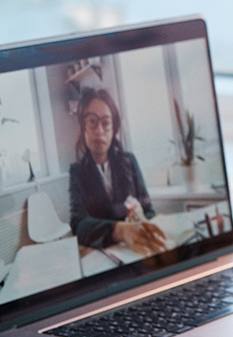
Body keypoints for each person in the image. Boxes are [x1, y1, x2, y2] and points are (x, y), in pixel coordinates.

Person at [69, 87, 167, 256]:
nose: (99, 131)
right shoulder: (77, 172)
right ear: (83, 126)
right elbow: (78, 225)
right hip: (107, 255)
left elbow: (149, 209)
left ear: (113, 128)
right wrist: (119, 230)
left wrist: (140, 216)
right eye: (92, 121)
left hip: (138, 251)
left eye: (106, 123)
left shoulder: (129, 161)